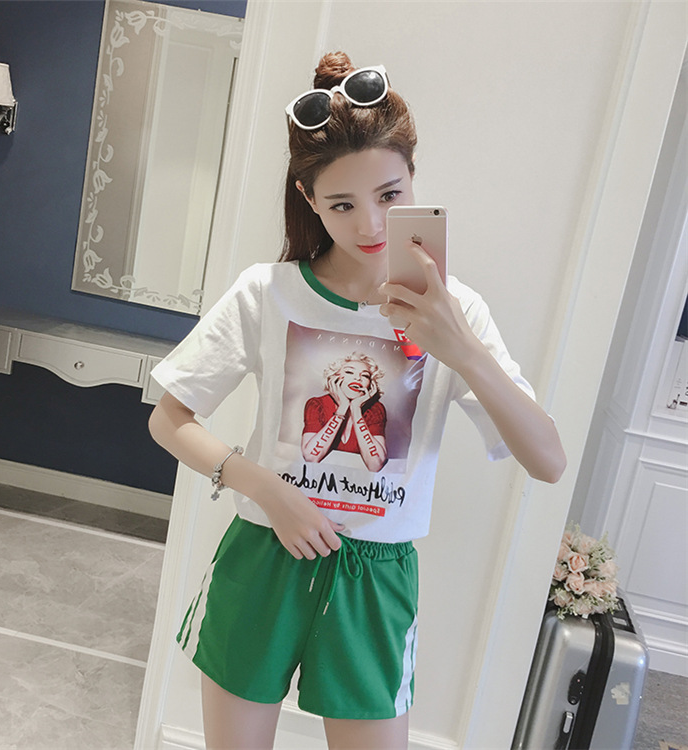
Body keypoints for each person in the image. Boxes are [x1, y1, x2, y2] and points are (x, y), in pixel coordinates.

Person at [149, 51, 566, 750]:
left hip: (375, 577)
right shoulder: (268, 292)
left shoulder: (456, 311)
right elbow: (169, 419)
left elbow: (548, 461)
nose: (371, 224)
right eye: (342, 204)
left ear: (413, 180)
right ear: (310, 199)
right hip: (265, 553)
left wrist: (461, 349)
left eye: (390, 195)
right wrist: (266, 488)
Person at [302, 352, 387, 471]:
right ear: (334, 378)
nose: (357, 378)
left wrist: (356, 410)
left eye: (365, 376)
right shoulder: (316, 405)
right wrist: (343, 408)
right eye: (349, 372)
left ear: (370, 385)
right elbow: (311, 457)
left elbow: (375, 465)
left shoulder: (375, 410)